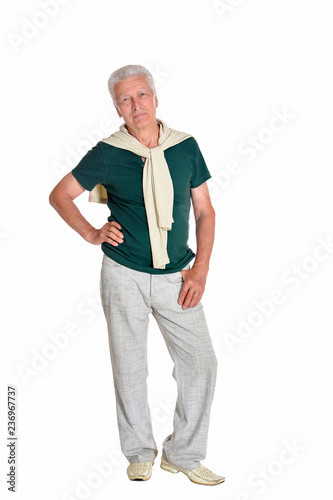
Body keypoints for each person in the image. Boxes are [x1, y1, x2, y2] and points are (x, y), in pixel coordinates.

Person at [49, 64, 225, 486]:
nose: (136, 105)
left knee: (201, 363)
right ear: (117, 109)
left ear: (155, 98)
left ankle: (182, 454)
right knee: (129, 367)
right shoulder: (108, 151)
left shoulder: (186, 147)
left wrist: (200, 267)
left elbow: (204, 211)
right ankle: (139, 452)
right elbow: (60, 195)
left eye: (142, 95)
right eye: (126, 99)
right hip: (123, 271)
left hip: (177, 275)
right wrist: (92, 233)